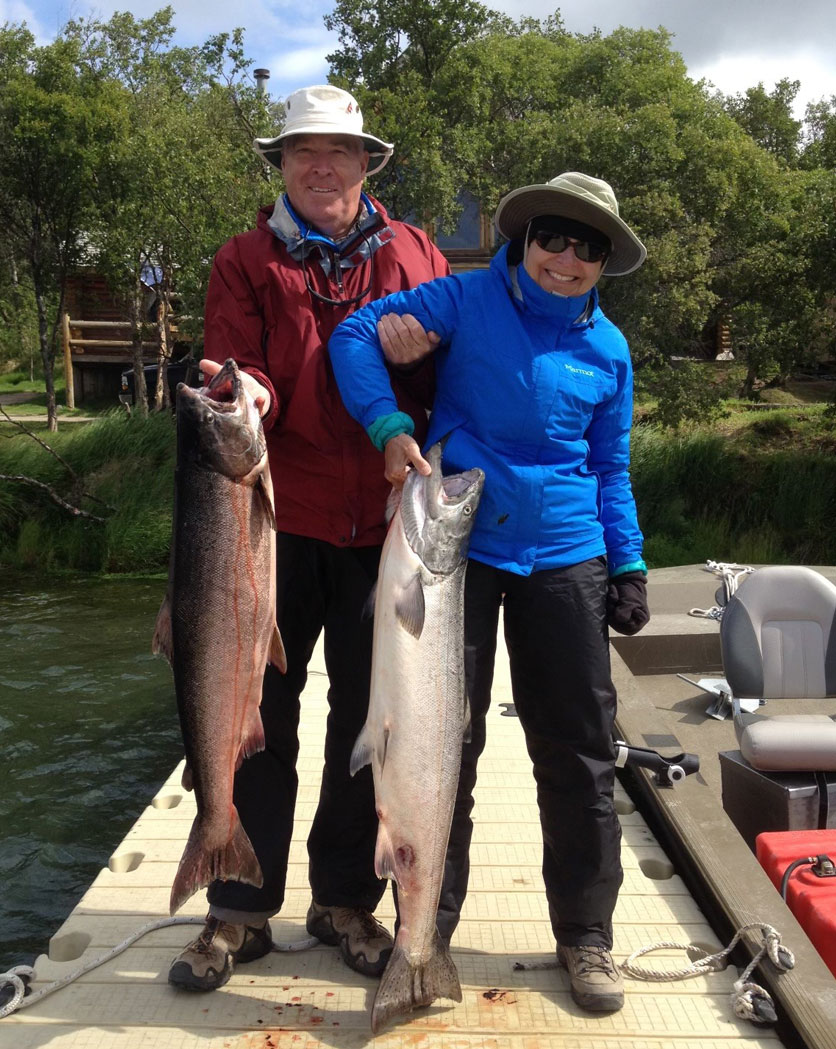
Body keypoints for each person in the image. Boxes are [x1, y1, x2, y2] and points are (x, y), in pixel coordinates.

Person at [328, 172, 651, 1013]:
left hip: (567, 556)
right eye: (553, 236)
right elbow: (354, 338)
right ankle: (425, 931)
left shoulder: (610, 350)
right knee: (442, 749)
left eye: (589, 247)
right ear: (524, 238)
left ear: (604, 262)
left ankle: (586, 938)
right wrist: (390, 427)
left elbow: (611, 468)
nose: (567, 258)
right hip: (455, 554)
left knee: (579, 754)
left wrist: (629, 564)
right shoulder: (467, 299)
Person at [167, 84, 450, 991]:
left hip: (383, 533)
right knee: (258, 718)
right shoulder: (242, 260)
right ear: (280, 165)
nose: (321, 166)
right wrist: (237, 390)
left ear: (368, 162)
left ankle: (342, 902)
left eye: (339, 151)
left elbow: (458, 368)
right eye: (302, 152)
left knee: (369, 724)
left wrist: (424, 360)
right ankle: (239, 912)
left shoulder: (415, 253)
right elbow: (239, 373)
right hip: (272, 531)